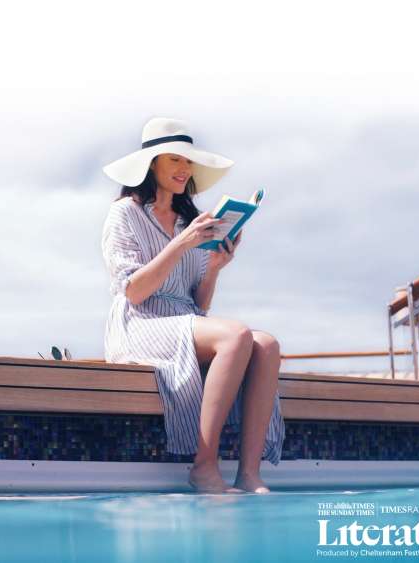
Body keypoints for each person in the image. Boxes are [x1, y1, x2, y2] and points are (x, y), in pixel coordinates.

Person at [101, 117, 285, 494]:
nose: (185, 170)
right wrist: (180, 244)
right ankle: (204, 466)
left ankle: (249, 474)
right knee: (236, 335)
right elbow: (134, 292)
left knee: (266, 344)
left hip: (184, 318)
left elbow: (198, 302)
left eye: (188, 163)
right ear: (151, 165)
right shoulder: (124, 214)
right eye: (175, 161)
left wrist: (215, 267)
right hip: (140, 323)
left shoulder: (191, 220)